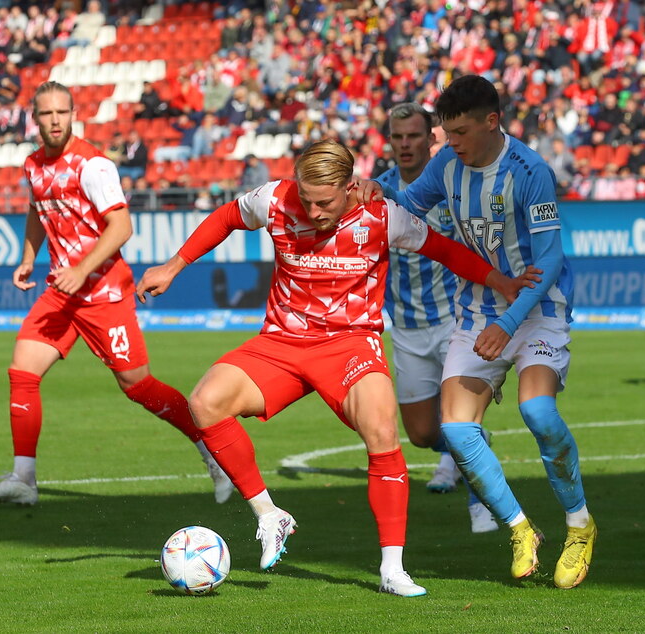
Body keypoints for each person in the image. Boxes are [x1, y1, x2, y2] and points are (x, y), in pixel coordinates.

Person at [136, 139, 535, 597]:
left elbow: (443, 250)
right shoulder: (274, 199)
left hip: (350, 344)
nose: (313, 209)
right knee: (205, 402)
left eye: (324, 201)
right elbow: (228, 217)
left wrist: (502, 282)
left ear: (350, 187)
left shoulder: (382, 216)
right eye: (306, 198)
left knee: (382, 431)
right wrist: (173, 266)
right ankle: (270, 516)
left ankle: (392, 569)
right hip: (283, 342)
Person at [355, 74, 596, 590]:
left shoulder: (530, 171)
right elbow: (408, 207)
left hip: (536, 309)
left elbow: (550, 259)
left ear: (493, 121)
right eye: (447, 132)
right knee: (457, 428)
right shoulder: (446, 165)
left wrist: (508, 323)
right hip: (476, 310)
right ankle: (520, 528)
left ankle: (579, 525)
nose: (452, 142)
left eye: (460, 132)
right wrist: (378, 194)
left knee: (537, 410)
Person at [0, 82, 233, 507]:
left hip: (104, 291)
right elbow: (38, 210)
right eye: (46, 114)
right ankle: (23, 479)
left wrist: (81, 269)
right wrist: (27, 257)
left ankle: (213, 454)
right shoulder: (33, 165)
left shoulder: (93, 165)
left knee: (138, 385)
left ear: (73, 114)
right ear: (34, 119)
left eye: (62, 112)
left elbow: (121, 226)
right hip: (62, 290)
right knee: (22, 372)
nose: (55, 120)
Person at [378, 102, 502, 534]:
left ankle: (482, 499)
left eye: (414, 135)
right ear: (389, 141)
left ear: (432, 138)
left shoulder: (454, 182)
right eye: (398, 137)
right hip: (407, 328)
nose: (405, 144)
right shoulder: (378, 192)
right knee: (422, 435)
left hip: (456, 321)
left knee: (458, 420)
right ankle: (473, 450)